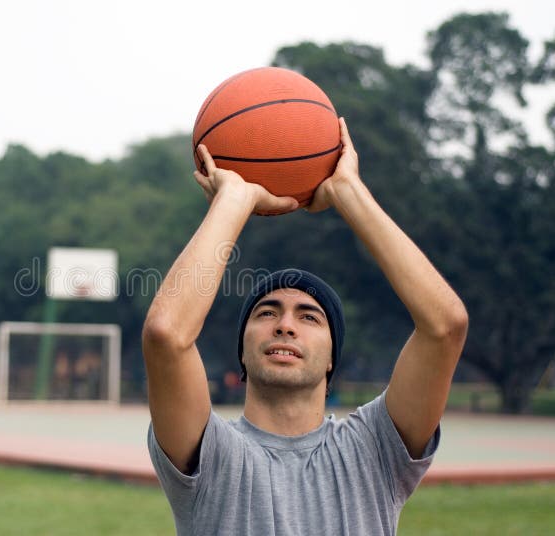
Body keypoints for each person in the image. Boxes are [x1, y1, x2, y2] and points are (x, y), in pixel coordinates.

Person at [142, 117, 468, 536]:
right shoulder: (210, 452)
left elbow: (445, 325)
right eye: (266, 312)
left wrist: (348, 193)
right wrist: (235, 199)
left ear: (334, 356)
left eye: (309, 317)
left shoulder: (374, 448)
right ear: (242, 351)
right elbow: (167, 334)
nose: (285, 325)